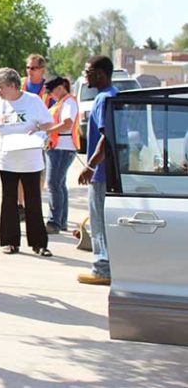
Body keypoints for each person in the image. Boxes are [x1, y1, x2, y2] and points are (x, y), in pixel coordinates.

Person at [0, 68, 54, 256]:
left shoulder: (33, 101)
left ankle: (39, 243)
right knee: (9, 200)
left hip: (30, 160)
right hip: (7, 160)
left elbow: (49, 124)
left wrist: (39, 130)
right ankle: (10, 242)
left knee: (33, 201)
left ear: (12, 85)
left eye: (1, 87)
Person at [77, 55, 118, 286]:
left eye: (88, 71)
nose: (86, 75)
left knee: (99, 221)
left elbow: (106, 136)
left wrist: (91, 166)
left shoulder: (103, 98)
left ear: (100, 74)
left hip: (101, 173)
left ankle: (102, 268)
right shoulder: (115, 94)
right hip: (111, 171)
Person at [16, 53, 53, 221]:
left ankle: (33, 205)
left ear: (42, 70)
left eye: (34, 68)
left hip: (42, 138)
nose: (30, 71)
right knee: (19, 174)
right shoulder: (20, 84)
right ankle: (20, 206)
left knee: (39, 175)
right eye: (28, 67)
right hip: (21, 136)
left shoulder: (49, 89)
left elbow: (53, 115)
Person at [41, 76, 80, 234]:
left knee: (53, 184)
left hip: (62, 148)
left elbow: (67, 124)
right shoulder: (62, 102)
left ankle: (54, 222)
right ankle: (61, 221)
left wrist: (47, 131)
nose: (50, 96)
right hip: (59, 147)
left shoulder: (68, 102)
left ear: (59, 88)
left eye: (51, 92)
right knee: (59, 185)